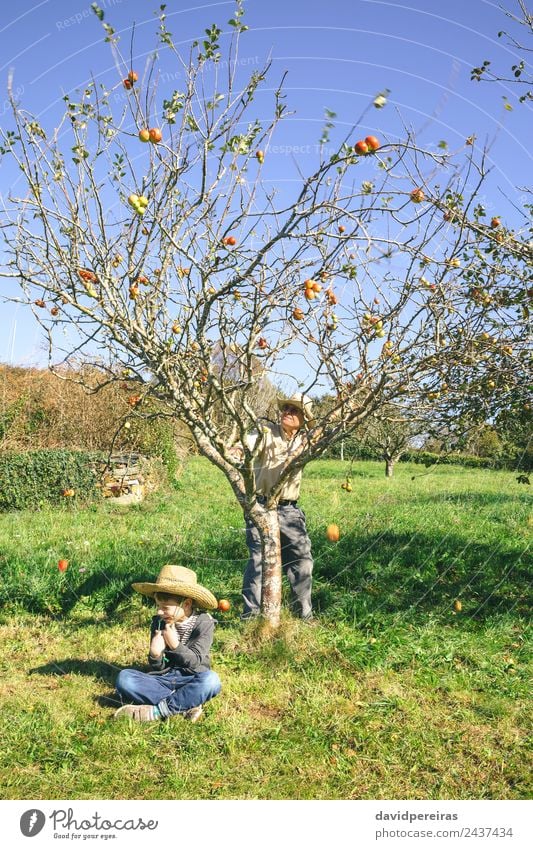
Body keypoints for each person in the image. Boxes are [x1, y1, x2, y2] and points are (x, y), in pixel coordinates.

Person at [240, 393, 315, 621]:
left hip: (290, 509)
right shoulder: (267, 433)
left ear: (303, 419)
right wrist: (236, 450)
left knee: (301, 559)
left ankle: (303, 614)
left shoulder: (306, 442)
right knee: (258, 561)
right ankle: (251, 618)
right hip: (262, 506)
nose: (287, 413)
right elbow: (249, 443)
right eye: (286, 409)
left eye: (294, 411)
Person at [114, 564, 221, 723]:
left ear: (186, 604)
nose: (159, 612)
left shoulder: (204, 623)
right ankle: (185, 703)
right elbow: (160, 668)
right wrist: (155, 655)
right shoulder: (159, 622)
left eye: (165, 608)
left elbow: (196, 663)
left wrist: (175, 646)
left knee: (211, 681)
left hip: (192, 678)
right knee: (124, 678)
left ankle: (156, 712)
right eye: (158, 606)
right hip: (164, 680)